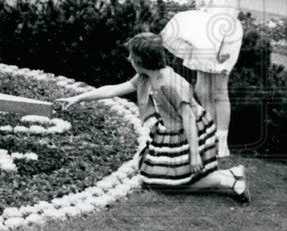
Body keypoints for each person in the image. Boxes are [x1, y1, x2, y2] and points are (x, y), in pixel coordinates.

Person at [56, 32, 249, 202]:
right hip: (173, 129)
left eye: (131, 56)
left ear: (140, 61)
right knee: (155, 178)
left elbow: (188, 117)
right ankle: (231, 174)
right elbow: (114, 89)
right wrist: (79, 98)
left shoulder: (170, 83)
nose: (129, 59)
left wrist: (194, 154)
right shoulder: (145, 77)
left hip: (191, 131)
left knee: (171, 184)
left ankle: (229, 180)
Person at [126, 0, 243, 157]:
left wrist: (222, 45)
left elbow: (232, 9)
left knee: (218, 89)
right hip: (205, 30)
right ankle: (208, 133)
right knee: (203, 87)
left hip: (223, 33)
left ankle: (222, 143)